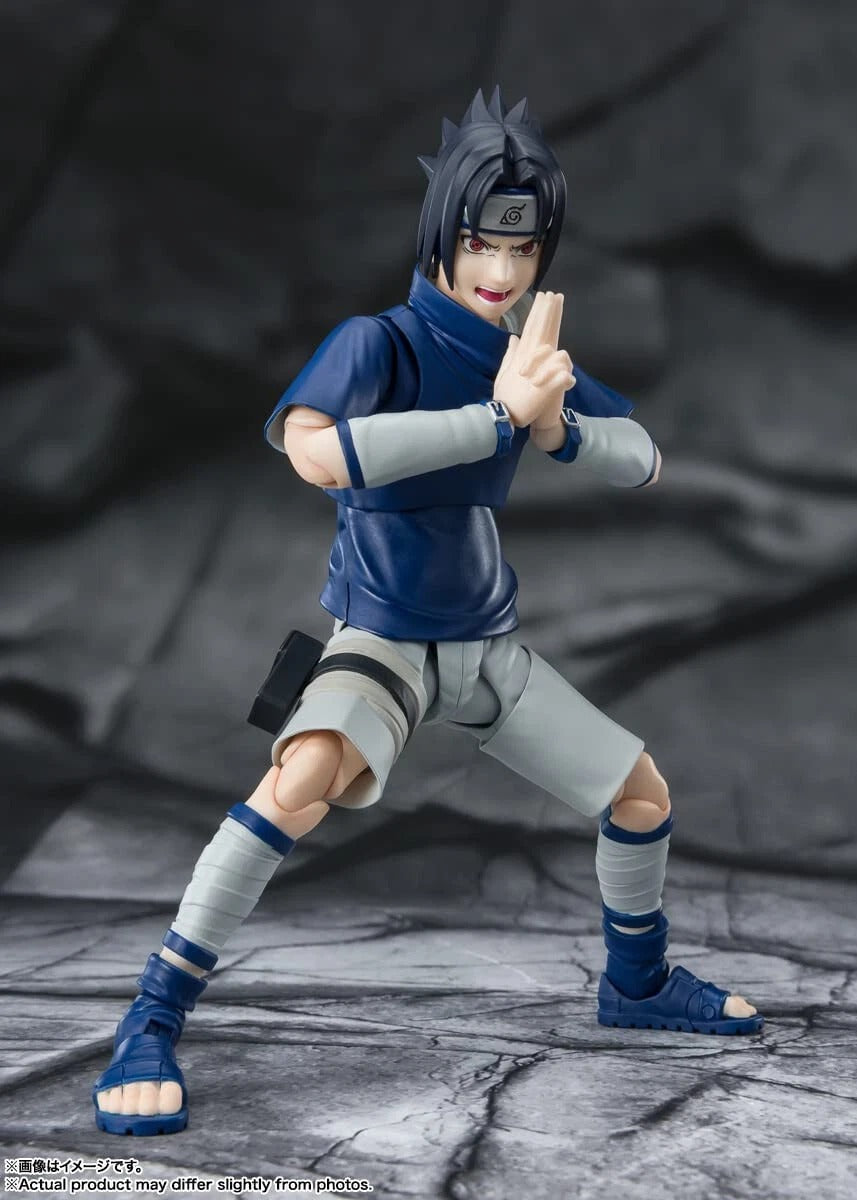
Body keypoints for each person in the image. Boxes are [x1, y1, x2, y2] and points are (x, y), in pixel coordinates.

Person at [93, 87, 762, 1137]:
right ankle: (152, 1014)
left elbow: (643, 458)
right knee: (298, 783)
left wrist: (557, 430)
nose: (501, 270)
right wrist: (490, 418)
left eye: (522, 249)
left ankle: (634, 984)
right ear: (443, 236)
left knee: (639, 797)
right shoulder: (381, 342)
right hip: (384, 640)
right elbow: (314, 452)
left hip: (485, 647)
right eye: (480, 244)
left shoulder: (522, 354)